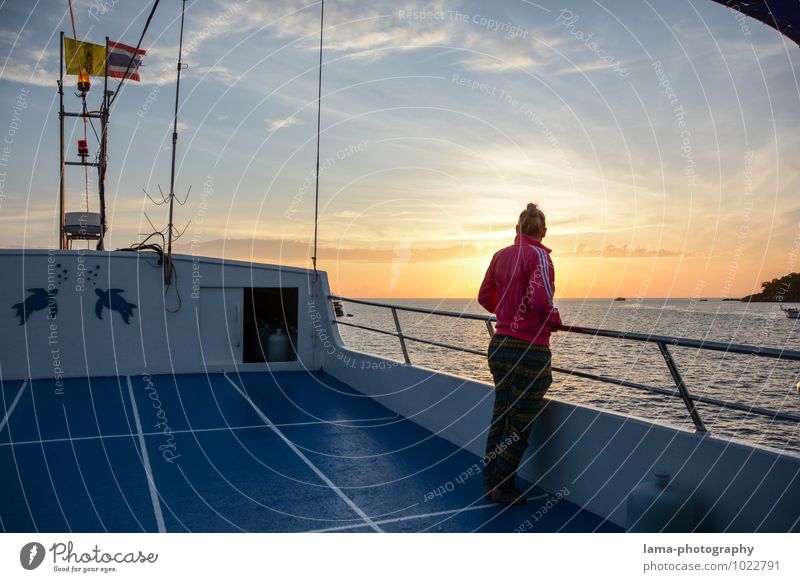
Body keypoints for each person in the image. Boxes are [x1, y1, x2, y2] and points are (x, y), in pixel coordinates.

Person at [477, 202, 562, 505]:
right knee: (520, 424)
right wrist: (553, 319)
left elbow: (484, 296)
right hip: (529, 350)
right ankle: (503, 488)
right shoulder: (538, 255)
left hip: (500, 345)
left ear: (517, 229)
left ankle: (490, 482)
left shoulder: (501, 255)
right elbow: (541, 301)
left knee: (500, 415)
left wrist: (506, 314)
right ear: (543, 232)